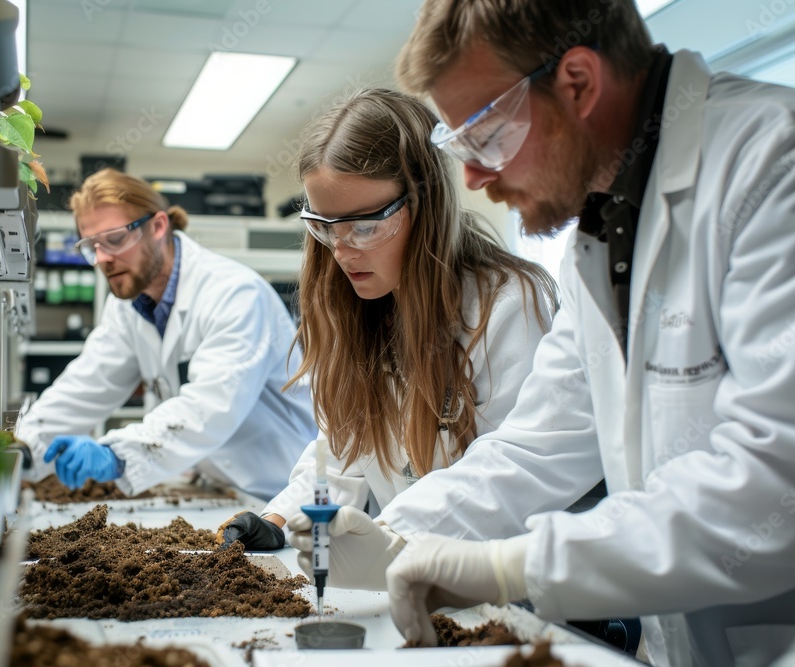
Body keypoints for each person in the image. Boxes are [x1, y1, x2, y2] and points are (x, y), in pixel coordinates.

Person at [303, 2, 795, 665]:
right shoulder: (599, 236)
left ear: (578, 82)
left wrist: (514, 566)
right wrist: (393, 537)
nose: (473, 177)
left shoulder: (793, 157)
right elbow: (536, 447)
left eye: (486, 135)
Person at [218, 88, 560, 556]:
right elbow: (343, 453)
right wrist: (277, 520)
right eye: (324, 227)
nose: (341, 252)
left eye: (364, 227)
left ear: (424, 204)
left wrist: (392, 536)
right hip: (411, 565)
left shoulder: (506, 305)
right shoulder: (363, 307)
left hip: (498, 572)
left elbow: (511, 471)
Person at [15, 169, 317, 500]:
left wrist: (116, 454)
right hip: (218, 487)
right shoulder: (129, 307)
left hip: (279, 493)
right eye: (92, 246)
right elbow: (86, 385)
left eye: (114, 239)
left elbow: (209, 409)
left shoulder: (236, 295)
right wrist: (24, 445)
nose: (102, 259)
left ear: (158, 226)